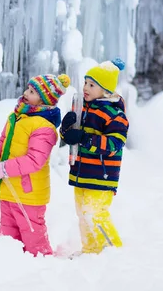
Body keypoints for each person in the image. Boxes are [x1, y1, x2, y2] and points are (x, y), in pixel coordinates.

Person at [0, 73, 71, 256]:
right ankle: (9, 262)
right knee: (7, 232)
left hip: (28, 191)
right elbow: (3, 142)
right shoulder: (15, 117)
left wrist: (4, 168)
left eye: (32, 91)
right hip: (7, 188)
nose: (25, 93)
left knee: (33, 235)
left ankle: (42, 267)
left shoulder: (44, 128)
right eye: (28, 89)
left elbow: (35, 161)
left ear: (44, 100)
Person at [60, 58, 129, 255]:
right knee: (83, 214)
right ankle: (90, 250)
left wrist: (85, 138)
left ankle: (113, 252)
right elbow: (72, 139)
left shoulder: (115, 114)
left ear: (105, 90)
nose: (86, 88)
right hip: (81, 173)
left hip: (101, 176)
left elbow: (115, 144)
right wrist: (66, 130)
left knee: (94, 213)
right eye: (85, 83)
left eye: (92, 85)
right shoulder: (82, 108)